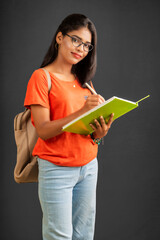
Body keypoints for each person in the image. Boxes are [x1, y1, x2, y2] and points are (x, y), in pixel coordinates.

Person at [24, 13, 114, 240]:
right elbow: (43, 129)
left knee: (84, 235)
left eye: (87, 45)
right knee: (59, 236)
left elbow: (86, 131)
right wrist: (81, 112)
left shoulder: (84, 81)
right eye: (76, 40)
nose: (81, 49)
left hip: (88, 167)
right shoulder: (42, 77)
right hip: (57, 169)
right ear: (59, 37)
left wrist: (99, 134)